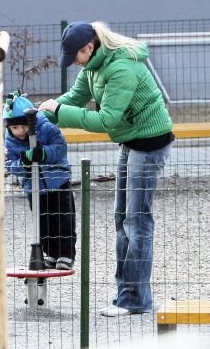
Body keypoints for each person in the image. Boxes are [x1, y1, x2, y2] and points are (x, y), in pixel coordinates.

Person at [38, 21, 174, 316]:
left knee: (137, 222)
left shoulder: (121, 68)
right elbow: (73, 99)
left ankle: (135, 301)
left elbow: (106, 120)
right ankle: (125, 295)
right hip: (130, 140)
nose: (74, 61)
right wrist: (40, 115)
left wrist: (59, 112)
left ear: (89, 47)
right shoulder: (93, 67)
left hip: (149, 143)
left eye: (76, 55)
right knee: (121, 219)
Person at [4, 91, 77, 270]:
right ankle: (50, 253)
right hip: (34, 188)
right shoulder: (10, 142)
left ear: (32, 121)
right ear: (8, 127)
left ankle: (66, 255)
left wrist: (43, 154)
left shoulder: (47, 128)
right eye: (15, 128)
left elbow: (60, 148)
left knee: (63, 218)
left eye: (23, 126)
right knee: (43, 222)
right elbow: (9, 164)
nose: (20, 131)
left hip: (57, 182)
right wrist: (24, 162)